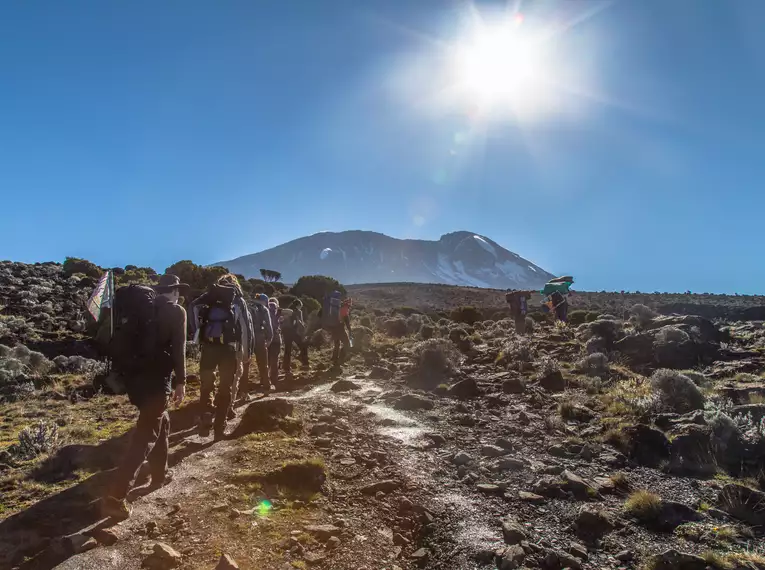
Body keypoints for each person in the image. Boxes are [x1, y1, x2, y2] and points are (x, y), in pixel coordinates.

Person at [101, 274, 189, 519]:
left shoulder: (141, 311)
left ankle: (160, 475)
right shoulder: (175, 311)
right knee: (145, 435)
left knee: (161, 421)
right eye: (178, 291)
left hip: (134, 382)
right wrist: (181, 381)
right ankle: (116, 497)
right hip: (157, 382)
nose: (179, 295)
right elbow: (179, 349)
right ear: (173, 291)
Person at [189, 274, 252, 440]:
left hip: (208, 349)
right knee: (226, 388)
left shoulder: (209, 298)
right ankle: (219, 428)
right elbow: (245, 327)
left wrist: (199, 333)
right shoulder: (237, 300)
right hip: (229, 350)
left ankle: (206, 416)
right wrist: (246, 353)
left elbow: (193, 307)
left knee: (206, 385)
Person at [248, 293, 273, 393]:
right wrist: (269, 337)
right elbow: (268, 325)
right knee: (263, 363)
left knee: (245, 363)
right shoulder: (263, 309)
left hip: (248, 337)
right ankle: (266, 384)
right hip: (259, 337)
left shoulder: (247, 306)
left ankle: (243, 387)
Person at [282, 299, 309, 374]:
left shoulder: (288, 310)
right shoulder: (298, 311)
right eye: (301, 306)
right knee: (303, 346)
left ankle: (286, 367)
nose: (301, 307)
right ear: (298, 305)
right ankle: (305, 363)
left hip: (285, 332)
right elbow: (299, 323)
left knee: (287, 350)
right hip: (293, 332)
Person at [267, 297, 282, 387]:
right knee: (275, 359)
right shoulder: (279, 313)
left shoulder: (265, 312)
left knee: (267, 360)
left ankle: (265, 378)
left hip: (267, 339)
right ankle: (274, 379)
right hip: (276, 339)